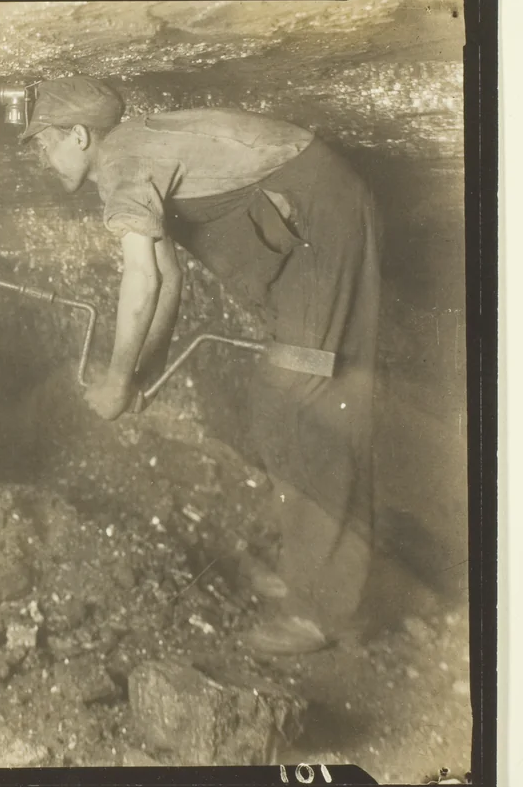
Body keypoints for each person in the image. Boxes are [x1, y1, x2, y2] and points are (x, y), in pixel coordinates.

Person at [22, 76, 381, 656]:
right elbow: (169, 280)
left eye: (43, 143)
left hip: (322, 217)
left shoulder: (122, 164)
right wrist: (143, 371)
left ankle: (323, 612)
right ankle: (308, 575)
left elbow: (140, 278)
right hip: (314, 216)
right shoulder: (127, 155)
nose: (41, 158)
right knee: (283, 402)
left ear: (80, 136)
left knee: (296, 402)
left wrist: (114, 382)